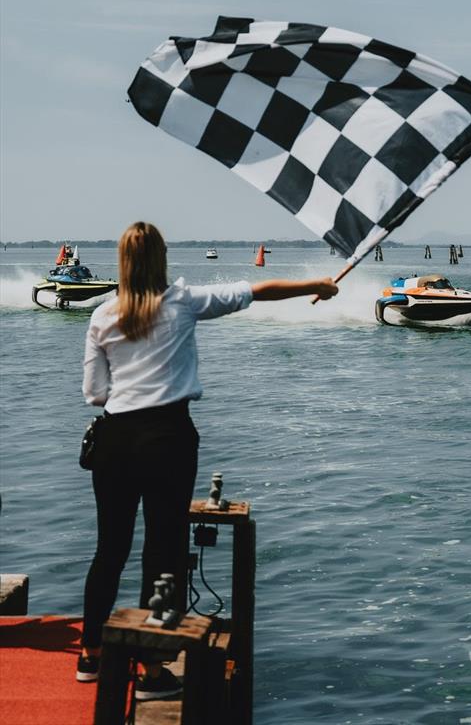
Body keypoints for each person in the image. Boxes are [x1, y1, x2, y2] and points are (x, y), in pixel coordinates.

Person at [76, 222, 338, 698]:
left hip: (114, 440)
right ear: (161, 259)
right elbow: (260, 290)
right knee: (164, 550)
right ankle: (153, 672)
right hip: (168, 438)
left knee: (109, 549)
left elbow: (94, 394)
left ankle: (90, 656)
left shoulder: (102, 315)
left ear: (121, 263)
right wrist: (317, 285)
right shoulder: (184, 301)